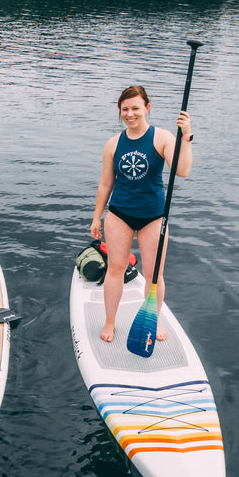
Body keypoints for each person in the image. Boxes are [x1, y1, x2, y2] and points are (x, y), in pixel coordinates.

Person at [90, 85, 192, 342]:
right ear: (120, 111)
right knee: (115, 269)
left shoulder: (163, 138)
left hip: (154, 217)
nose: (130, 114)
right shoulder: (113, 144)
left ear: (147, 107)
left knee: (154, 274)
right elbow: (105, 184)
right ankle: (110, 322)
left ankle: (153, 321)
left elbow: (182, 170)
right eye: (125, 109)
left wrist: (186, 137)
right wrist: (96, 216)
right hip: (119, 214)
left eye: (135, 108)